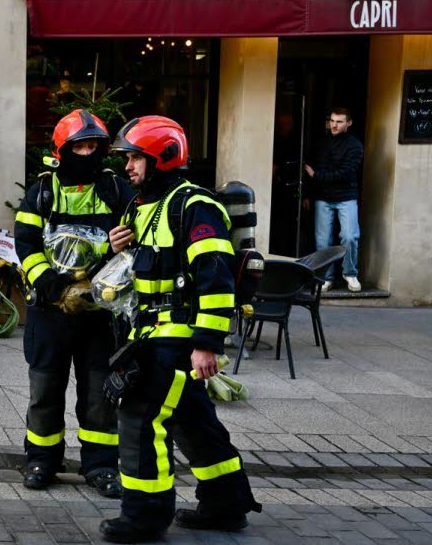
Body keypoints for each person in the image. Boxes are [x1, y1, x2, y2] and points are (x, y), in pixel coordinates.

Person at [100, 115, 261, 543]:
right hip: (150, 331)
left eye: (137, 157)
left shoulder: (195, 205)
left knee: (141, 418)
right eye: (128, 157)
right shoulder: (143, 204)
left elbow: (216, 277)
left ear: (164, 157)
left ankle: (144, 516)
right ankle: (226, 505)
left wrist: (207, 344)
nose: (128, 166)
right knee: (193, 421)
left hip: (177, 336)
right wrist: (118, 245)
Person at [13, 109, 134, 499]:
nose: (87, 152)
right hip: (49, 311)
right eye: (79, 146)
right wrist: (45, 280)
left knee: (99, 393)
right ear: (62, 150)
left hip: (99, 313)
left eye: (94, 146)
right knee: (45, 389)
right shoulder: (43, 190)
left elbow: (133, 240)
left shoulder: (116, 189)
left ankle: (100, 466)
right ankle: (41, 461)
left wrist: (110, 254)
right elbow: (25, 242)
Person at [304, 108, 364, 292]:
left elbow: (345, 173)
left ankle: (350, 273)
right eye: (332, 120)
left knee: (350, 236)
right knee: (322, 241)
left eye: (339, 121)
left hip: (346, 196)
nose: (334, 125)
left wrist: (318, 176)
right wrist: (308, 191)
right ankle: (325, 277)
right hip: (323, 197)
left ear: (349, 123)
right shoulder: (321, 143)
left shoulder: (354, 145)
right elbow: (309, 168)